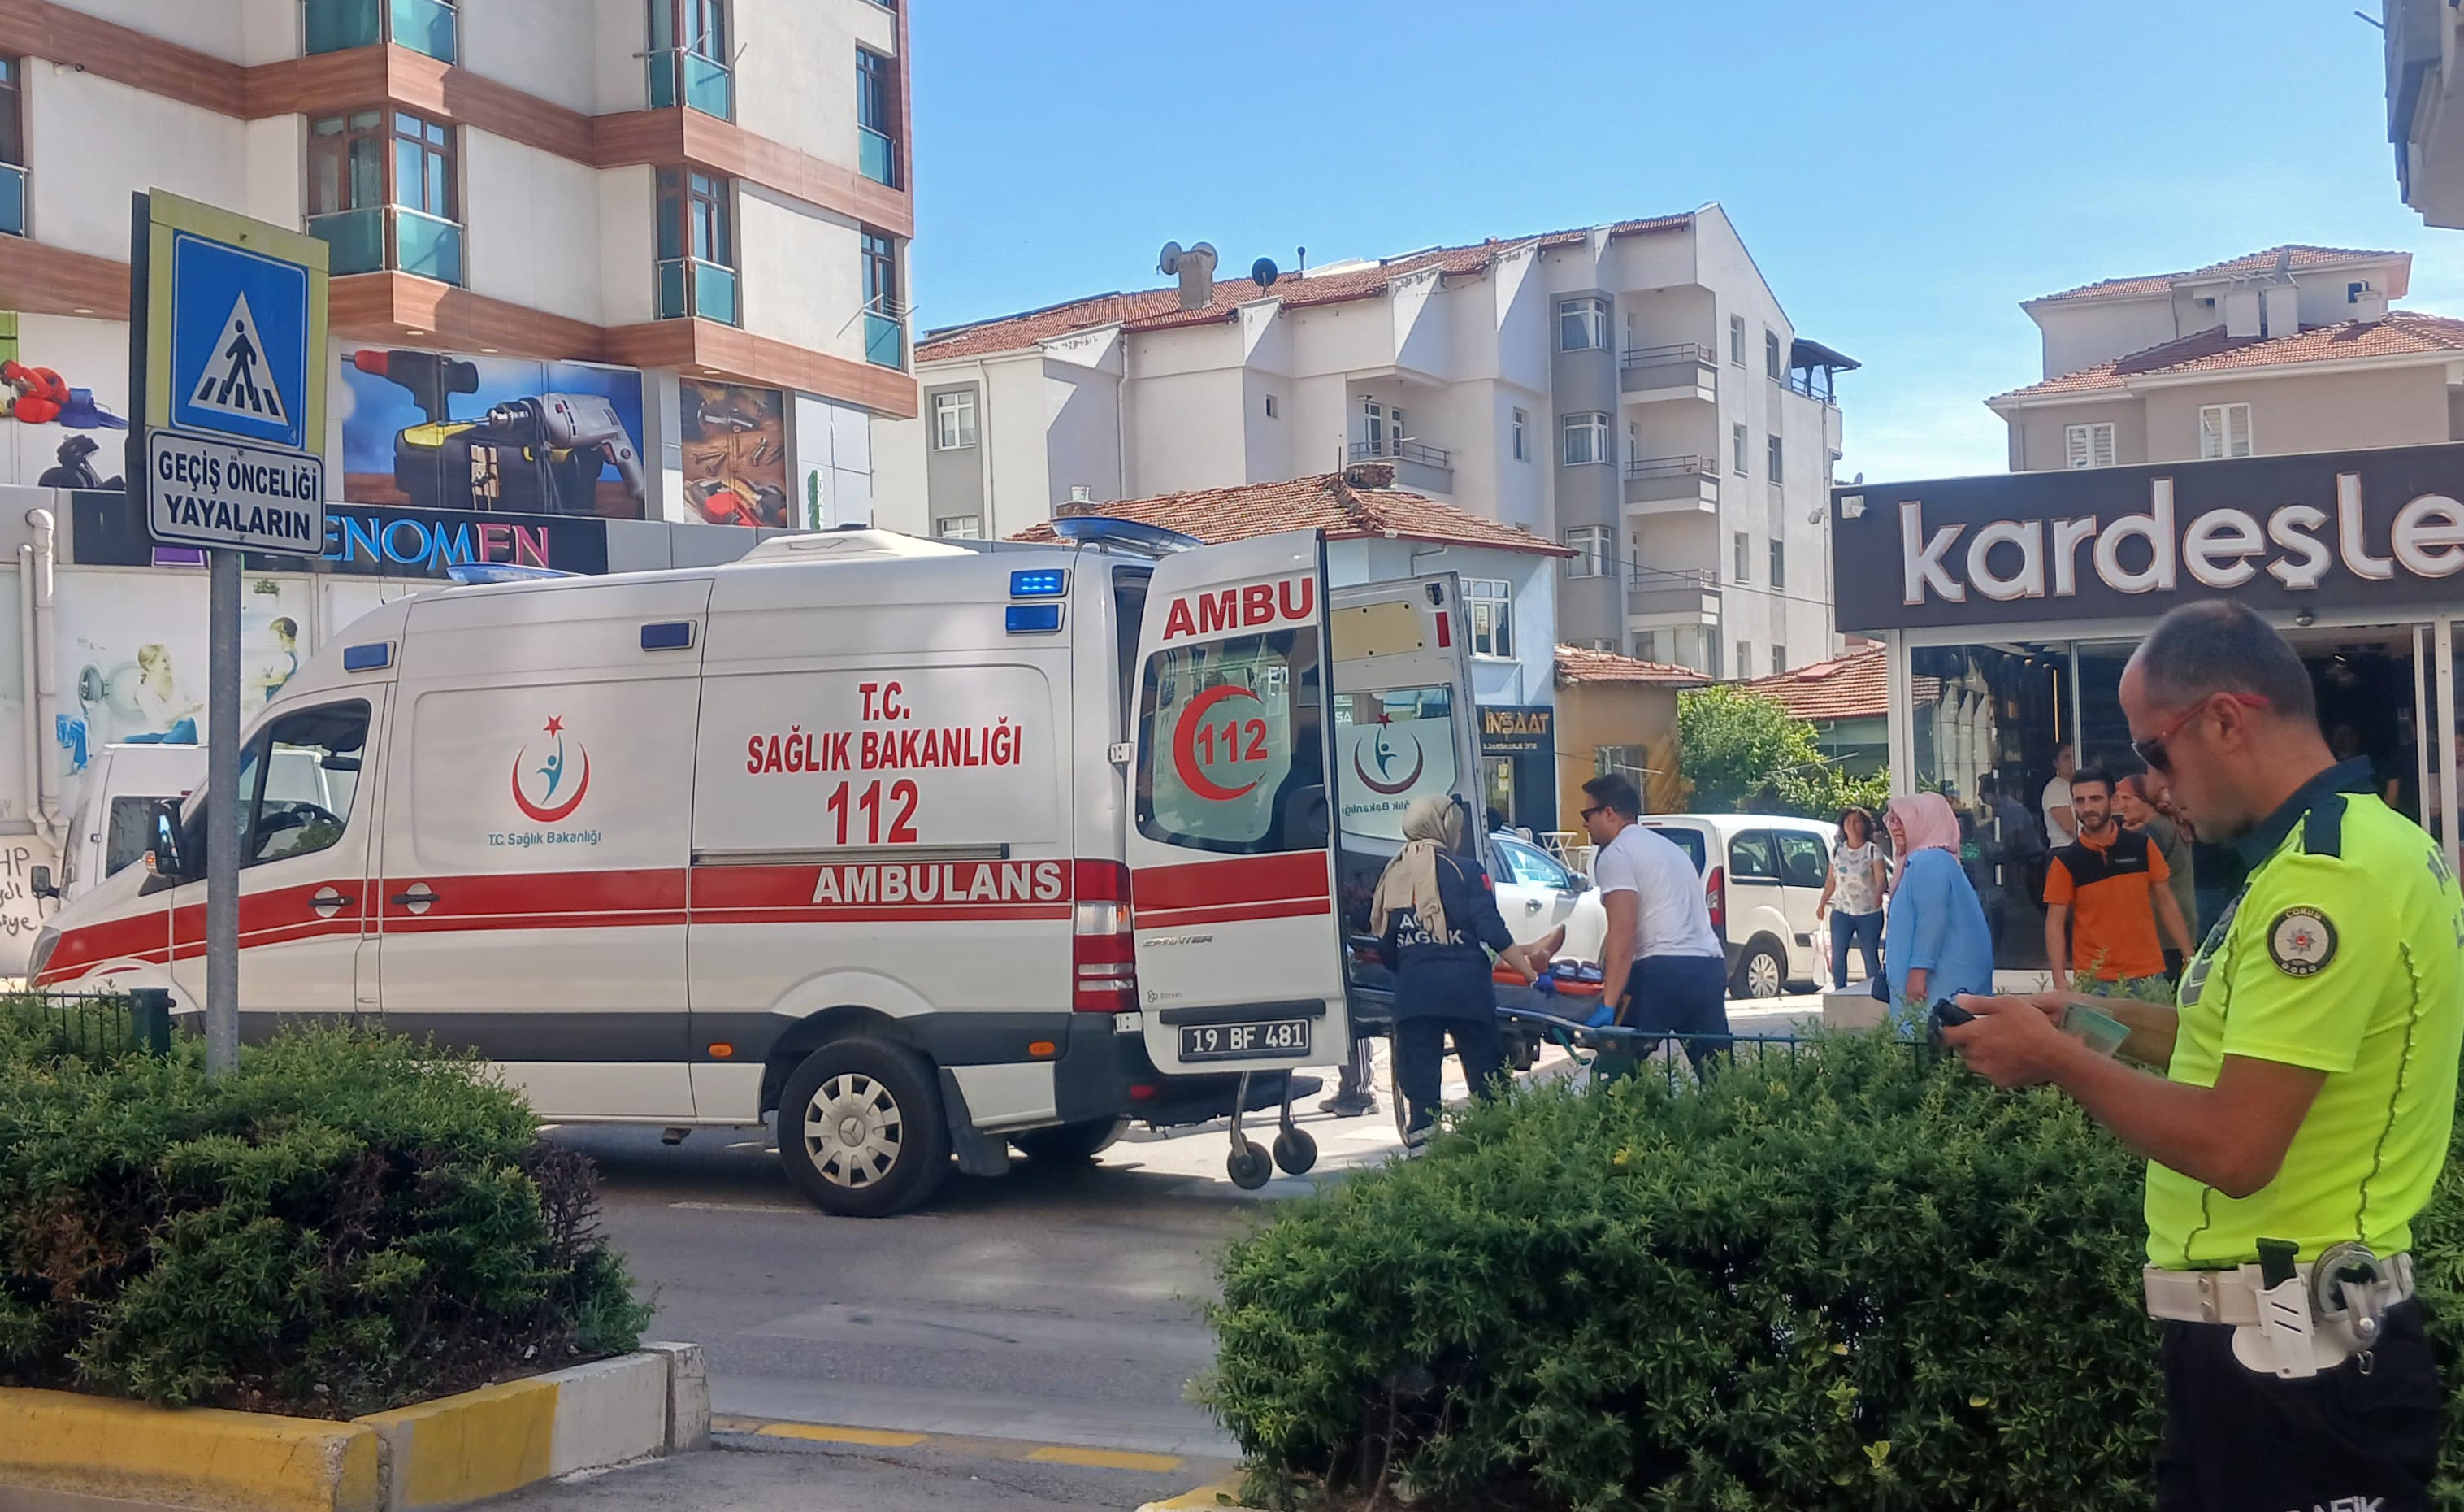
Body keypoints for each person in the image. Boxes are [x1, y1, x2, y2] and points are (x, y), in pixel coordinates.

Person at [1942, 600, 2463, 1511]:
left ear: (2225, 719)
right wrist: (2085, 1018)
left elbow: (2236, 1144)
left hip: (2297, 1366)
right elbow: (2250, 1049)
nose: (2147, 787)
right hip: (2281, 1354)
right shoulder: (2344, 849)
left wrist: (2055, 1061)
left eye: (2154, 753)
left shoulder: (2323, 880)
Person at [1371, 796, 1543, 1147]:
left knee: (1421, 1092)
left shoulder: (1393, 876)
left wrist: (1414, 964)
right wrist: (1532, 975)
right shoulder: (1466, 871)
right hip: (1468, 994)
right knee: (1488, 1083)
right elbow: (1492, 930)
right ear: (1445, 829)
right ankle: (1493, 1152)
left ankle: (1424, 1154)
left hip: (1416, 996)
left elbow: (1385, 945)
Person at [1579, 772, 1729, 1071]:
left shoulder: (1616, 853)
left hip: (1662, 971)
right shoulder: (1669, 849)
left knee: (1615, 1072)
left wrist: (1609, 1002)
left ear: (1609, 813)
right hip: (1708, 967)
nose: (1584, 824)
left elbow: (1623, 935)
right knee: (1718, 1075)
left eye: (1587, 815)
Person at [2045, 767, 2193, 994]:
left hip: (2148, 974)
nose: (2088, 808)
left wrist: (2189, 956)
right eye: (2080, 801)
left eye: (2096, 799)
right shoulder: (2066, 861)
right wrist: (2059, 979)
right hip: (2094, 979)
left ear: (2113, 801)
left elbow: (2167, 902)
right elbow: (2055, 923)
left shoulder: (2142, 846)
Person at [1881, 793, 1995, 1010]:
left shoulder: (1929, 861)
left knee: (1930, 1031)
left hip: (1937, 983)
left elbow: (1931, 919)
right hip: (1938, 981)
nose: (1894, 827)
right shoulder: (1928, 861)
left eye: (1903, 820)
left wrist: (1918, 971)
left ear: (1926, 822)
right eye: (1892, 820)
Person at [2117, 772, 2197, 975]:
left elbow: (2128, 875)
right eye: (2118, 799)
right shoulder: (2167, 823)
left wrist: (2123, 838)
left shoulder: (2153, 832)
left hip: (2165, 930)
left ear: (2146, 800)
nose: (2121, 806)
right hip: (2180, 923)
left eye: (2127, 798)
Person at [1815, 806, 1886, 989]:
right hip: (1842, 911)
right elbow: (1831, 880)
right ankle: (1840, 991)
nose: (1852, 826)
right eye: (1848, 822)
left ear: (1865, 825)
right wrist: (1822, 903)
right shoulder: (1838, 851)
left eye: (1856, 822)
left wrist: (1879, 895)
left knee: (1869, 955)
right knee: (1838, 955)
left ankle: (1874, 993)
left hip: (1868, 912)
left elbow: (1881, 879)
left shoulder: (1872, 850)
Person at [2042, 744, 2079, 848]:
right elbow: (2070, 828)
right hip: (2065, 848)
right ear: (2056, 763)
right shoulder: (2055, 788)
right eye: (2067, 757)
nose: (2073, 761)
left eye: (2075, 756)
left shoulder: (2080, 786)